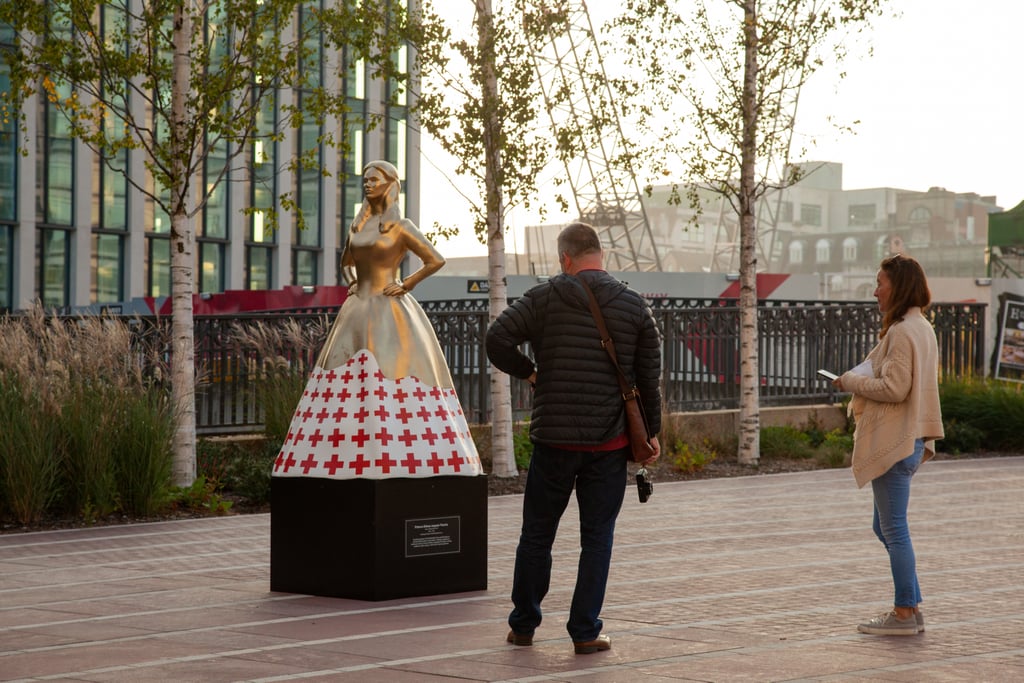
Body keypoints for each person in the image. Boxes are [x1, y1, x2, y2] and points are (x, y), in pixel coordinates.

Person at [485, 222, 662, 654]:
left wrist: (530, 372)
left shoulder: (544, 297)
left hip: (554, 442)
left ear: (564, 258)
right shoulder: (634, 306)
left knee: (537, 535)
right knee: (597, 538)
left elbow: (497, 339)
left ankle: (523, 624)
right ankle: (585, 631)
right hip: (609, 445)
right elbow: (648, 380)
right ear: (600, 255)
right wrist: (650, 435)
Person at [273, 160, 482, 480]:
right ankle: (347, 453)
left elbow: (435, 259)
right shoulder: (358, 225)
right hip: (356, 309)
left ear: (390, 184)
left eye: (374, 180)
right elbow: (346, 262)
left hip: (391, 309)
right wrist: (353, 282)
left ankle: (400, 451)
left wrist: (406, 284)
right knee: (349, 380)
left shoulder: (401, 226)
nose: (367, 185)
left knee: (394, 377)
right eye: (365, 180)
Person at [833, 254, 944, 636]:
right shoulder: (920, 327)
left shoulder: (901, 332)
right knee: (885, 527)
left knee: (894, 529)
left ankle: (903, 614)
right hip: (911, 439)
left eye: (880, 281)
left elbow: (895, 388)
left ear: (898, 285)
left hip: (897, 441)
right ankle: (910, 604)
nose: (876, 290)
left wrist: (850, 382)